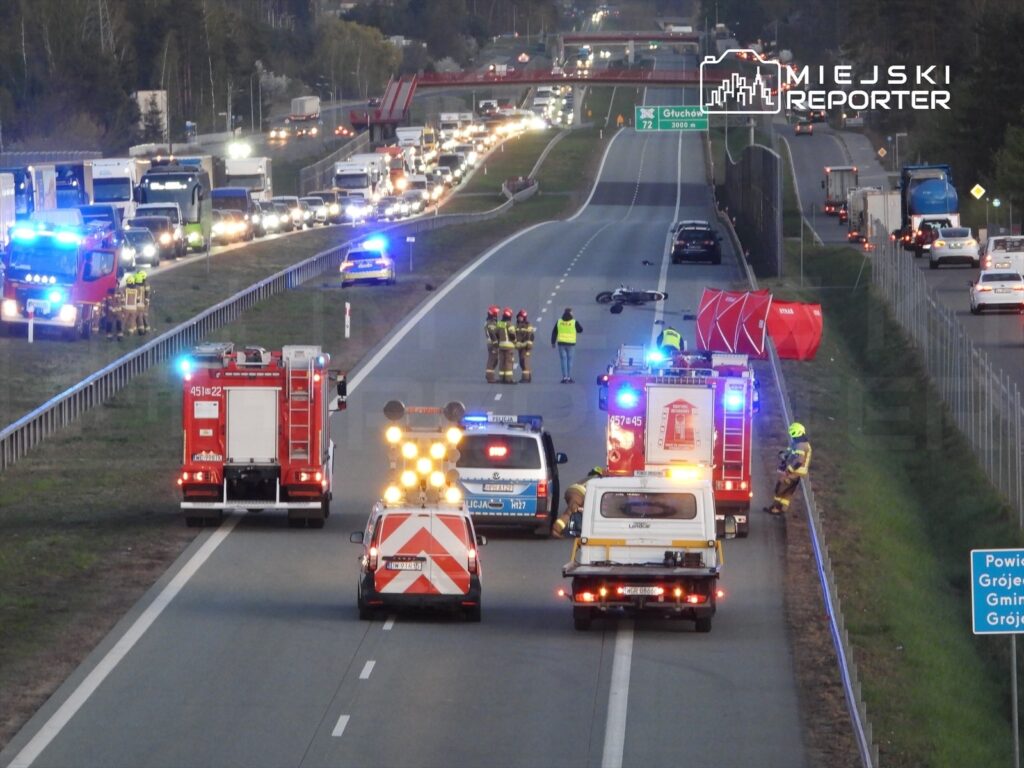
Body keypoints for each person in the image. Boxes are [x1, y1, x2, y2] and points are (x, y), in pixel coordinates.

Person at [765, 422, 813, 515]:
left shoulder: (801, 445)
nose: (792, 436)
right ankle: (782, 509)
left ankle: (776, 508)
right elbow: (789, 453)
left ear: (798, 432)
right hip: (795, 471)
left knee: (781, 488)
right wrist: (783, 455)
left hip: (795, 471)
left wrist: (789, 469)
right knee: (787, 491)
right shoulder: (797, 443)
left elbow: (799, 461)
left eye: (793, 433)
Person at [552, 466, 604, 537]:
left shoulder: (588, 478)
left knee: (576, 510)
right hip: (578, 494)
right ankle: (556, 530)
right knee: (569, 513)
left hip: (570, 490)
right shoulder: (598, 480)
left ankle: (578, 528)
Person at [551, 307, 582, 383]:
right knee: (570, 360)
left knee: (563, 360)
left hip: (561, 344)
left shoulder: (559, 321)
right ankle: (569, 377)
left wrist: (553, 342)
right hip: (571, 344)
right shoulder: (574, 322)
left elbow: (554, 332)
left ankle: (564, 377)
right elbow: (580, 330)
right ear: (570, 313)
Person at [496, 307, 517, 384]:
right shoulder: (509, 324)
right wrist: (515, 342)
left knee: (502, 362)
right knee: (508, 362)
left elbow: (496, 334)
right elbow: (512, 335)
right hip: (509, 346)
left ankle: (501, 378)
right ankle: (508, 379)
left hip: (501, 345)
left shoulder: (499, 324)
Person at [514, 309, 535, 383]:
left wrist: (528, 345)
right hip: (520, 346)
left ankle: (525, 378)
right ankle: (528, 376)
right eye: (519, 317)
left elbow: (530, 336)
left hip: (525, 346)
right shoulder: (517, 325)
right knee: (521, 361)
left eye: (521, 317)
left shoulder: (528, 325)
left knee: (524, 361)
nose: (520, 318)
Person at [484, 305, 500, 383]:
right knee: (492, 360)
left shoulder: (490, 322)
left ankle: (490, 375)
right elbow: (492, 333)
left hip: (491, 343)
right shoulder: (491, 323)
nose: (497, 314)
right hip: (492, 344)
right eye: (496, 313)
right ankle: (490, 377)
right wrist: (495, 342)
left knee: (495, 360)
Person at [121, 272, 139, 337]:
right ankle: (130, 332)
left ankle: (121, 330)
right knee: (132, 320)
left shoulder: (124, 289)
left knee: (124, 320)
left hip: (126, 308)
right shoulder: (136, 290)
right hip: (133, 308)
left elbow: (122, 298)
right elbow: (138, 299)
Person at [134, 270, 151, 335]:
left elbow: (147, 294)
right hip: (143, 303)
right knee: (143, 317)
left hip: (144, 303)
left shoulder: (145, 284)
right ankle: (145, 330)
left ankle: (144, 330)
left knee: (143, 316)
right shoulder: (143, 284)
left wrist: (146, 301)